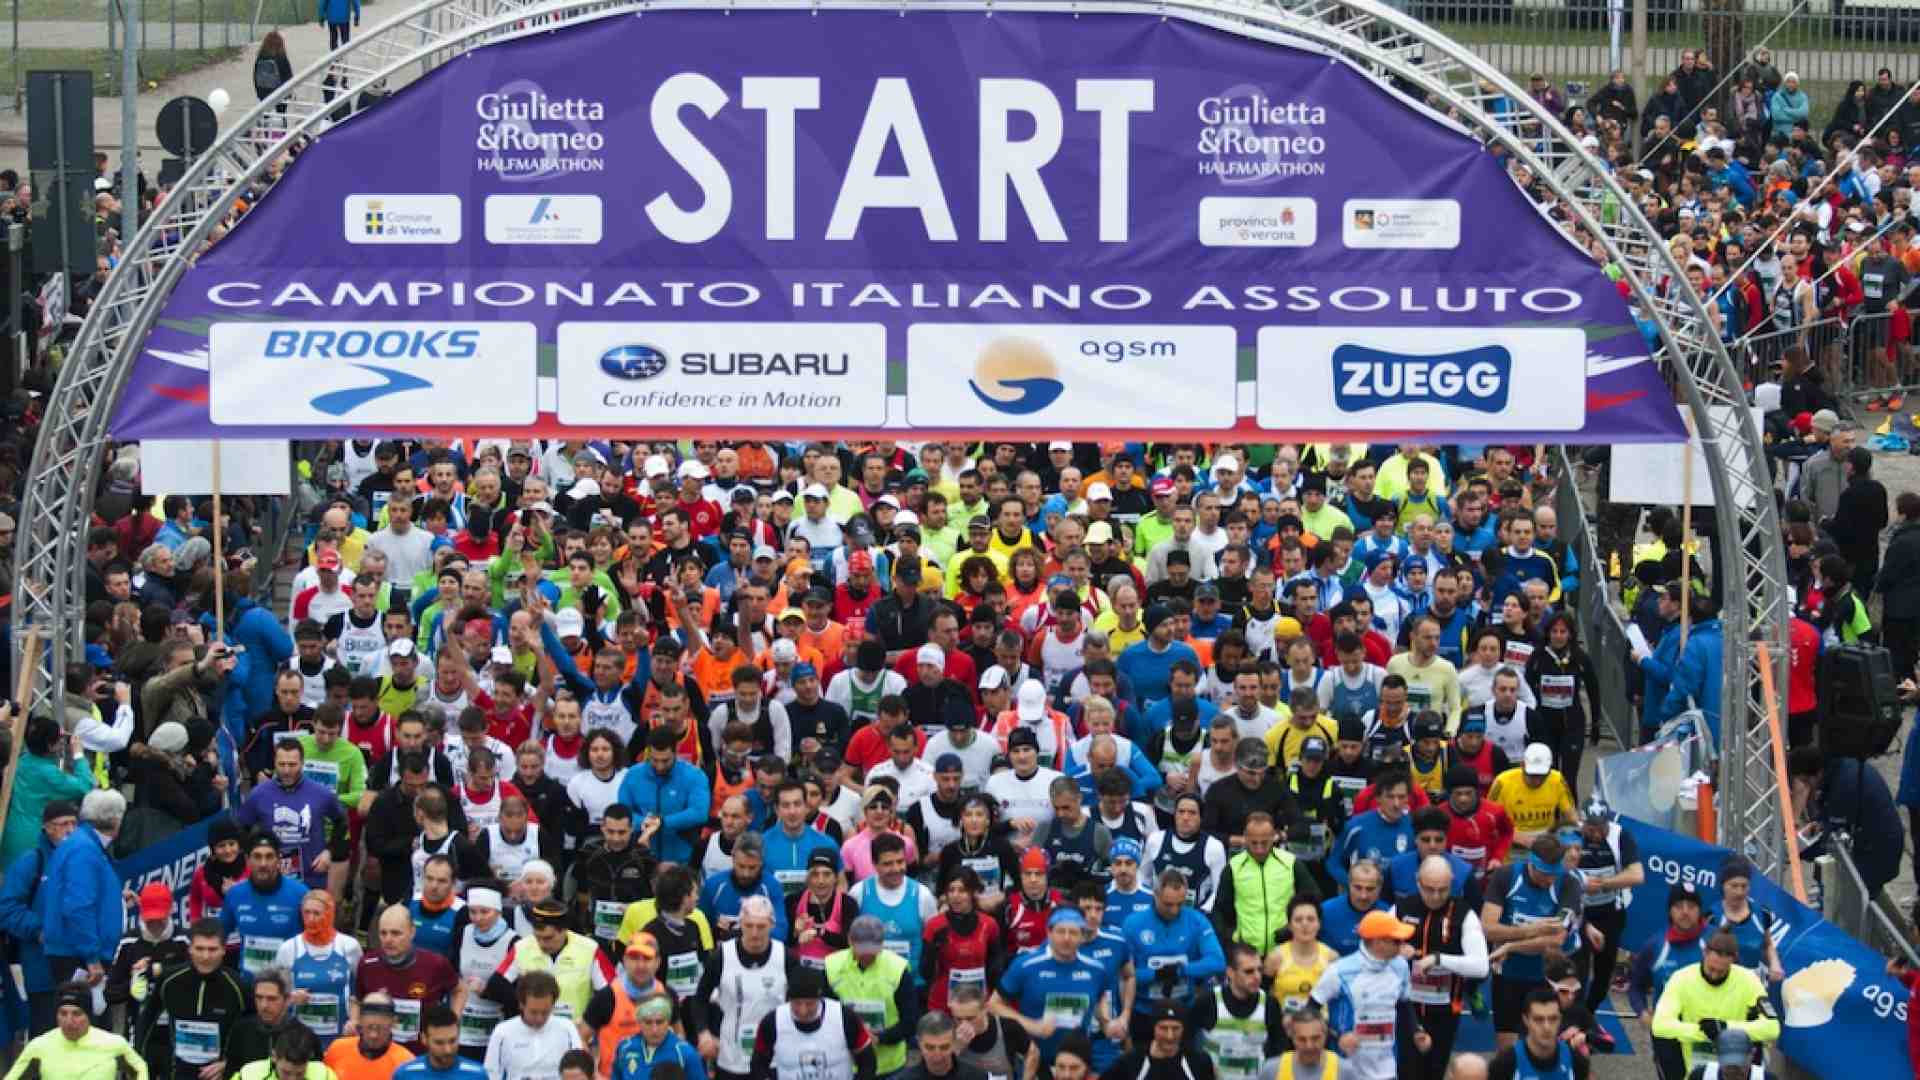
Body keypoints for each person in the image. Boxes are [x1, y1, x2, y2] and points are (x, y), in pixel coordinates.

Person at [1480, 835, 1581, 1053]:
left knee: (1543, 1044)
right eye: (1545, 875)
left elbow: (1556, 939)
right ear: (1531, 864)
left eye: (1554, 874)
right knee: (1507, 1047)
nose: (1550, 881)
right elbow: (1487, 928)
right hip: (1508, 974)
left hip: (1547, 976)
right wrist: (1534, 929)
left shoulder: (1569, 883)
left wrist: (1509, 945)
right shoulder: (1506, 876)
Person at [1396, 855, 1490, 1078]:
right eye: (1429, 889)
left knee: (1434, 1072)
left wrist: (1439, 959)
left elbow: (1480, 966)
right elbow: (1375, 951)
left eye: (1443, 889)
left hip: (1444, 1010)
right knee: (1406, 1071)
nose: (1436, 896)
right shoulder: (1401, 908)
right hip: (1406, 1008)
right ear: (1418, 881)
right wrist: (1395, 953)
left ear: (1452, 882)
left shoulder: (1464, 914)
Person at [1310, 911, 1429, 1080]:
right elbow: (1310, 1011)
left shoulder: (1400, 966)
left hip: (1387, 1069)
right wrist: (1336, 1036)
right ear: (1378, 942)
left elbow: (1404, 1003)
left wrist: (1417, 1031)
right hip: (1346, 1069)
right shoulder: (1339, 970)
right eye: (1396, 940)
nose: (1402, 944)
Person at [1651, 930, 1778, 1076]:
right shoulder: (1680, 979)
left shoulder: (1749, 980)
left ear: (1734, 959)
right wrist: (1701, 1031)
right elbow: (1659, 1025)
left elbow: (1772, 1027)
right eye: (1711, 969)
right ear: (1704, 953)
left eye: (1722, 971)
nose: (1714, 975)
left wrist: (1726, 1028)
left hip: (1734, 1069)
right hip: (1695, 1071)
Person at [1117, 870, 1224, 1044]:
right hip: (1144, 1012)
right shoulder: (1133, 924)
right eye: (1168, 904)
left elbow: (1217, 962)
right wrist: (1155, 974)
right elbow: (1123, 974)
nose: (1174, 910)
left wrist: (1182, 970)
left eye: (1180, 904)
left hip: (1184, 1010)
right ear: (1155, 895)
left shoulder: (1196, 920)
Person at [40, 789, 128, 998]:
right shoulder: (85, 849)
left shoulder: (83, 845)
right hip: (79, 956)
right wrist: (91, 957)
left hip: (76, 951)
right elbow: (77, 906)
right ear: (116, 820)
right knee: (84, 1025)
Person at [0, 799, 77, 1035]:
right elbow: (7, 907)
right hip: (41, 972)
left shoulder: (86, 859)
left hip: (80, 972)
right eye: (63, 824)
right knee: (45, 1040)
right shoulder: (32, 862)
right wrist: (39, 930)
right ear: (48, 828)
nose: (70, 830)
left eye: (74, 823)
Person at [692, 895, 790, 1080]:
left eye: (761, 927)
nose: (754, 933)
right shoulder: (722, 956)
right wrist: (704, 1033)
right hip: (731, 1057)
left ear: (771, 925)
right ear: (741, 924)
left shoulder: (785, 957)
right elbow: (700, 998)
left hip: (774, 1057)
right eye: (748, 925)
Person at [138, 918, 249, 1080]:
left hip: (220, 1074)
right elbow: (146, 1021)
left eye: (212, 949)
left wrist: (231, 1064)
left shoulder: (238, 986)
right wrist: (140, 1064)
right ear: (190, 949)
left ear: (224, 950)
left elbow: (253, 1032)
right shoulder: (170, 980)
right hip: (177, 1073)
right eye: (200, 948)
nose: (205, 956)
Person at [1790, 746, 1903, 900]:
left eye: (1805, 781)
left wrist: (1797, 850)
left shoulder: (1844, 784)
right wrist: (1819, 824)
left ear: (1816, 774)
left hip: (1875, 855)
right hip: (1877, 845)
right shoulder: (1840, 768)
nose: (1806, 787)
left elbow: (1834, 844)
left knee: (1848, 904)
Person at [1210, 812, 1318, 955]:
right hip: (1247, 953)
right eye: (1254, 843)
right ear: (1245, 838)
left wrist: (1291, 929)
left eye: (1264, 842)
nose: (1259, 849)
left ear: (1274, 836)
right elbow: (1220, 911)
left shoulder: (1290, 863)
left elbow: (1314, 900)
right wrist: (1229, 941)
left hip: (1285, 951)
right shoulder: (1234, 867)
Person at [826, 915, 919, 1079]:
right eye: (862, 951)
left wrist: (879, 1038)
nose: (867, 957)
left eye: (873, 952)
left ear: (882, 944)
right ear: (849, 940)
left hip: (889, 1065)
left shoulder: (898, 968)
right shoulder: (831, 966)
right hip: (845, 1063)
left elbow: (910, 1021)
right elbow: (825, 1013)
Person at [748, 967, 878, 1080]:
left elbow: (868, 1061)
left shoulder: (845, 1017)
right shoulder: (772, 1022)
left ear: (820, 998)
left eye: (809, 1004)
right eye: (797, 1004)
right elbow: (758, 1063)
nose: (803, 1011)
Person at [3, 983, 148, 1080]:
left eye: (76, 1014)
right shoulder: (39, 1046)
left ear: (88, 1016)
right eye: (63, 1013)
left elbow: (140, 1069)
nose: (68, 1021)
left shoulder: (114, 1044)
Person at [1188, 943, 1284, 1080]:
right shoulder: (1208, 1002)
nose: (1257, 976)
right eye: (1249, 971)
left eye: (1259, 970)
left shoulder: (1270, 1004)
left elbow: (1278, 1049)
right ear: (1230, 973)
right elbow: (1187, 1042)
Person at [485, 971, 584, 1080]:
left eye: (545, 1012)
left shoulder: (567, 1028)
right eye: (533, 1012)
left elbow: (580, 1072)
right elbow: (491, 1074)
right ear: (521, 1005)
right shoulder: (502, 1032)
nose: (539, 1018)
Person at [1486, 988, 1586, 1080]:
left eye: (1553, 1019)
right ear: (1526, 1020)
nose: (1546, 1027)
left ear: (1560, 1019)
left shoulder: (1577, 1062)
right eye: (1538, 1019)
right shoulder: (1504, 1065)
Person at [1099, 1001, 1214, 1080]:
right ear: (1153, 1028)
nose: (1170, 1036)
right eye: (1163, 1028)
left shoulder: (1199, 1062)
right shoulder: (1131, 1063)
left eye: (1176, 1028)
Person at [323, 993, 415, 1079]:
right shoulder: (337, 1050)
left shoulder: (405, 1062)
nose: (373, 1035)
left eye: (380, 1028)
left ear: (393, 1022)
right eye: (369, 1028)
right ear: (360, 1020)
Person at [228, 967, 300, 1070]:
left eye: (272, 999)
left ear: (288, 999)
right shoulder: (241, 1031)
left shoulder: (303, 1036)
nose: (263, 1005)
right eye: (259, 997)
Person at [391, 1005, 487, 1078]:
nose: (448, 1050)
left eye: (452, 1041)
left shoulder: (477, 1074)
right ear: (424, 1039)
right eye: (439, 1043)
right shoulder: (406, 1074)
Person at [898, 1010, 988, 1080]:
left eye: (944, 1047)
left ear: (954, 1043)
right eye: (930, 1047)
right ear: (919, 1044)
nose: (937, 1056)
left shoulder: (977, 1077)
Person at [1271, 1005, 1340, 1080]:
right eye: (1302, 1039)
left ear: (1325, 1035)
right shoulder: (1273, 1070)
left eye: (1315, 1038)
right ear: (1292, 1037)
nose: (1309, 1046)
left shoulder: (1343, 1071)